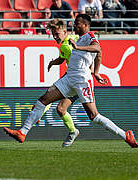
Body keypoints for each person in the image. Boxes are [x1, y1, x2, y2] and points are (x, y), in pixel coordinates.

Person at [3, 14, 138, 149]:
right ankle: (23, 132)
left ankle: (125, 135)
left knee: (94, 116)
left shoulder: (89, 36)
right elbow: (97, 55)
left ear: (85, 25)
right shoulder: (77, 40)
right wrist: (96, 72)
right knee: (43, 100)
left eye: (77, 23)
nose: (74, 25)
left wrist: (81, 52)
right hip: (69, 78)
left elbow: (98, 49)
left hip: (82, 80)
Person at [45, 18, 80, 147]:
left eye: (57, 34)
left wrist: (91, 70)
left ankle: (37, 115)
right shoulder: (68, 42)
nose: (55, 37)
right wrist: (52, 62)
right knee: (60, 109)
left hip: (76, 80)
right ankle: (73, 132)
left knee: (50, 96)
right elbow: (62, 59)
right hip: (71, 77)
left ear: (65, 31)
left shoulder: (69, 44)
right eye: (53, 34)